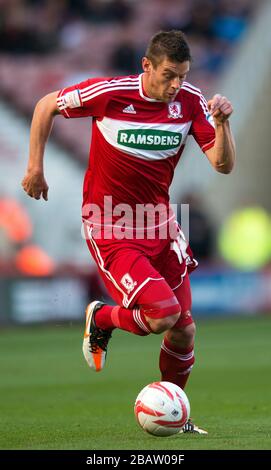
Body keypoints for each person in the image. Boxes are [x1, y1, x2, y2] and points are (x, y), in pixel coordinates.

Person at [22, 30, 235, 434]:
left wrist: (223, 125)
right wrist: (35, 167)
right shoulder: (112, 93)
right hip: (111, 226)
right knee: (163, 314)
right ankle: (103, 317)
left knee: (184, 329)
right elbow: (45, 105)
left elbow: (222, 165)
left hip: (162, 228)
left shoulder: (190, 103)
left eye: (183, 76)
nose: (176, 85)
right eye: (169, 75)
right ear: (147, 66)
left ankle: (177, 415)